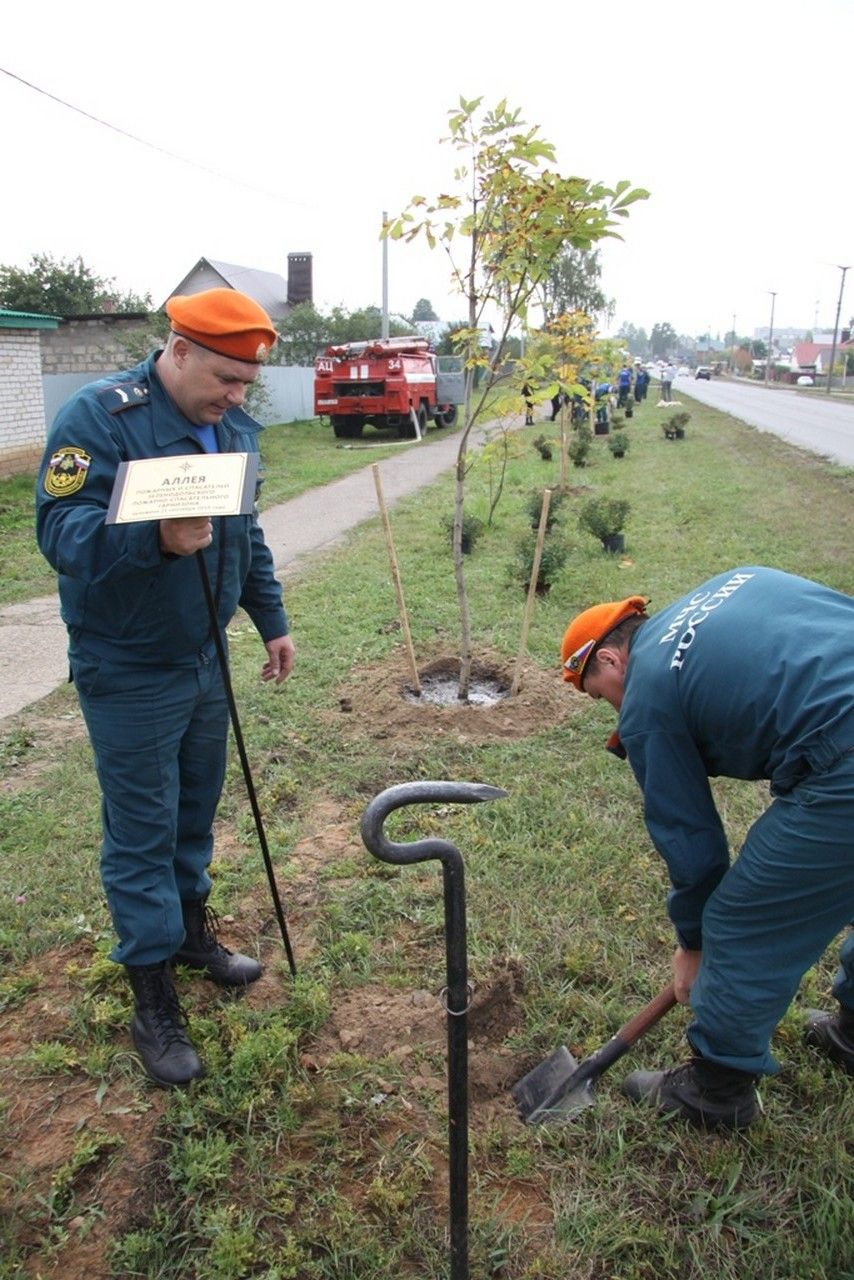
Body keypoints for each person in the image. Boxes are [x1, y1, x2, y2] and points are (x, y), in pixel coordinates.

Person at [36, 288, 295, 1088]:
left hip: (202, 659)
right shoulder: (98, 417)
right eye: (224, 377)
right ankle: (152, 996)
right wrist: (151, 536)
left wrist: (270, 618)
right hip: (131, 665)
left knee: (192, 807)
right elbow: (59, 533)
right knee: (142, 828)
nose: (235, 396)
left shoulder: (230, 426)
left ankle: (189, 935)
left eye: (246, 384)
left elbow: (245, 530)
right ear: (177, 351)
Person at [560, 566, 854, 1130]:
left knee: (744, 920)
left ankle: (715, 1091)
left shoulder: (647, 694)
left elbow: (691, 844)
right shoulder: (732, 582)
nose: (617, 712)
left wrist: (694, 943)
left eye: (603, 698)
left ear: (610, 661)